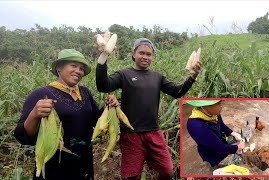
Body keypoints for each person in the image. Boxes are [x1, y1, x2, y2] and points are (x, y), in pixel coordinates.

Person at [95, 38, 202, 179]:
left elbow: (177, 92)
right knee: (132, 176)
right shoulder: (124, 74)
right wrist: (103, 59)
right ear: (133, 54)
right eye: (141, 53)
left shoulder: (157, 77)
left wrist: (192, 77)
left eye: (149, 54)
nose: (145, 57)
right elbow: (103, 86)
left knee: (168, 172)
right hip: (131, 134)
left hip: (154, 132)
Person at [14, 49, 119, 180]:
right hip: (54, 166)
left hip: (83, 163)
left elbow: (94, 122)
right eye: (73, 66)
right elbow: (21, 136)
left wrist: (108, 107)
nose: (78, 71)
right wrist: (34, 114)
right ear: (59, 67)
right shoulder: (40, 94)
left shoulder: (85, 93)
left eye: (81, 68)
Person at [185, 100, 245, 168]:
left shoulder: (214, 114)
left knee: (239, 135)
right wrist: (237, 147)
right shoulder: (197, 126)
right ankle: (217, 162)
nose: (221, 107)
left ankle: (230, 145)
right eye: (218, 104)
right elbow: (219, 148)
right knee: (238, 159)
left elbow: (222, 126)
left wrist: (232, 133)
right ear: (207, 106)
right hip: (214, 152)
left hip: (220, 139)